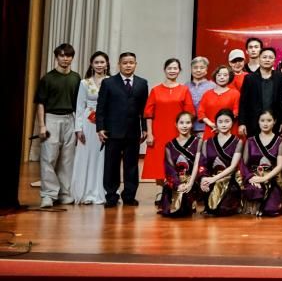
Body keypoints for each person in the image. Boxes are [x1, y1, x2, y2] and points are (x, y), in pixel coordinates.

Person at [96, 51, 149, 207]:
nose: (128, 65)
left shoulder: (142, 83)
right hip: (112, 131)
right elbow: (101, 107)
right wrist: (100, 128)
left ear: (135, 64)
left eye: (131, 63)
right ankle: (111, 196)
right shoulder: (108, 83)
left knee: (131, 165)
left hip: (133, 131)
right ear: (119, 64)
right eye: (125, 63)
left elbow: (144, 109)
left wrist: (145, 128)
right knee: (111, 165)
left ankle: (129, 196)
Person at [35, 43, 80, 208]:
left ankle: (64, 193)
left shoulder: (76, 78)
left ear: (72, 58)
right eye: (62, 55)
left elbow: (78, 104)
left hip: (70, 118)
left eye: (68, 56)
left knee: (67, 159)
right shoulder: (48, 78)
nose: (65, 59)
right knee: (49, 157)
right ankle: (48, 195)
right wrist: (42, 125)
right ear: (56, 57)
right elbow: (40, 103)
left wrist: (79, 126)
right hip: (51, 118)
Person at [72, 51, 109, 205]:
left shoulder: (111, 81)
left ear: (107, 64)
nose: (99, 65)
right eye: (96, 62)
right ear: (91, 64)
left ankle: (102, 191)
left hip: (106, 123)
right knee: (86, 156)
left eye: (102, 62)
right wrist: (78, 128)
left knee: (102, 158)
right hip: (88, 123)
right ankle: (86, 192)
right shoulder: (84, 83)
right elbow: (80, 106)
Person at [240, 109, 282, 217]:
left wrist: (264, 178)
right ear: (258, 121)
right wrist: (250, 177)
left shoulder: (280, 141)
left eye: (269, 120)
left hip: (272, 177)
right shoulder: (250, 140)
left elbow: (280, 166)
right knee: (253, 190)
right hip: (254, 176)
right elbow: (244, 164)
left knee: (271, 210)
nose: (265, 124)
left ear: (274, 121)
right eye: (262, 120)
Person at [199, 109, 243, 216]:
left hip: (229, 179)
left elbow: (233, 167)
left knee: (222, 210)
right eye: (220, 121)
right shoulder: (207, 142)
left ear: (232, 122)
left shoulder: (238, 142)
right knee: (211, 209)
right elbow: (202, 164)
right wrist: (204, 178)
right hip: (210, 178)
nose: (223, 124)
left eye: (227, 121)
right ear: (216, 123)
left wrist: (213, 179)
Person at [238, 47, 282, 139]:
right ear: (259, 58)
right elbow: (243, 102)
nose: (267, 60)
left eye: (270, 57)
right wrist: (242, 123)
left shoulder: (280, 77)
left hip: (274, 123)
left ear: (274, 60)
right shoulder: (249, 78)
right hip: (253, 123)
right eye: (264, 57)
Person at [160, 111, 200, 218]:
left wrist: (190, 183)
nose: (184, 126)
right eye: (181, 123)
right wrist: (178, 184)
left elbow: (199, 165)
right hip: (176, 180)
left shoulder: (198, 142)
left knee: (183, 210)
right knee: (172, 211)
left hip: (192, 179)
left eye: (188, 122)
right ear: (176, 124)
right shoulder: (169, 145)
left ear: (192, 124)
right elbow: (169, 168)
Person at [198, 66, 240, 141]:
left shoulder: (235, 93)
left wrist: (222, 125)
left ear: (230, 77)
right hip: (211, 129)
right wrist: (212, 125)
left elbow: (236, 112)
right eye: (219, 75)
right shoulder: (207, 94)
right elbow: (201, 112)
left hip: (229, 129)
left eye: (225, 75)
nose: (222, 77)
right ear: (215, 77)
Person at [186, 56, 213, 134]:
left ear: (206, 70)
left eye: (202, 67)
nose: (198, 70)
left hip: (206, 128)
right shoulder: (185, 86)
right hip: (188, 128)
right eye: (195, 67)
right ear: (191, 69)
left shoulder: (213, 86)